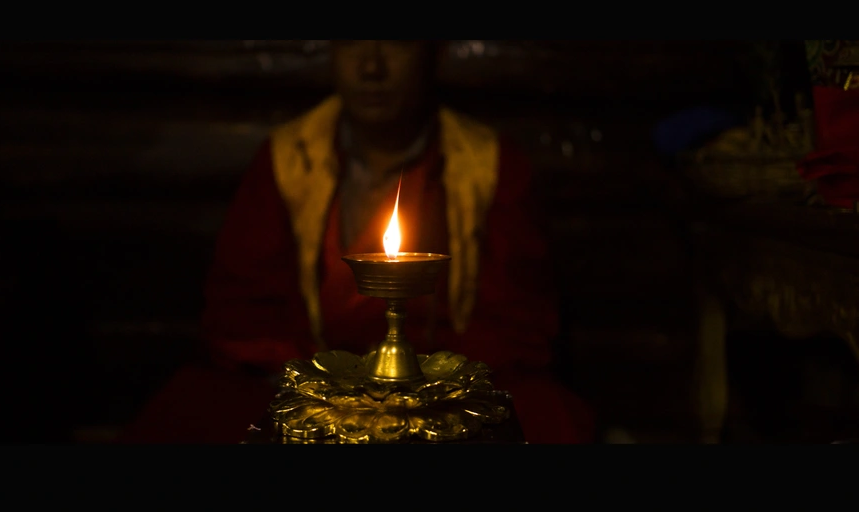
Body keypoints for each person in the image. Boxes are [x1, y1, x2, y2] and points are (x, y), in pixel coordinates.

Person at [122, 40, 594, 444]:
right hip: (315, 376)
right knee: (189, 412)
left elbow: (517, 322)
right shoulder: (290, 157)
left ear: (435, 53)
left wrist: (425, 384)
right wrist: (335, 385)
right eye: (352, 42)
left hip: (441, 381)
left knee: (546, 418)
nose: (371, 67)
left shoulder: (486, 163)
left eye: (395, 43)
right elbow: (242, 312)